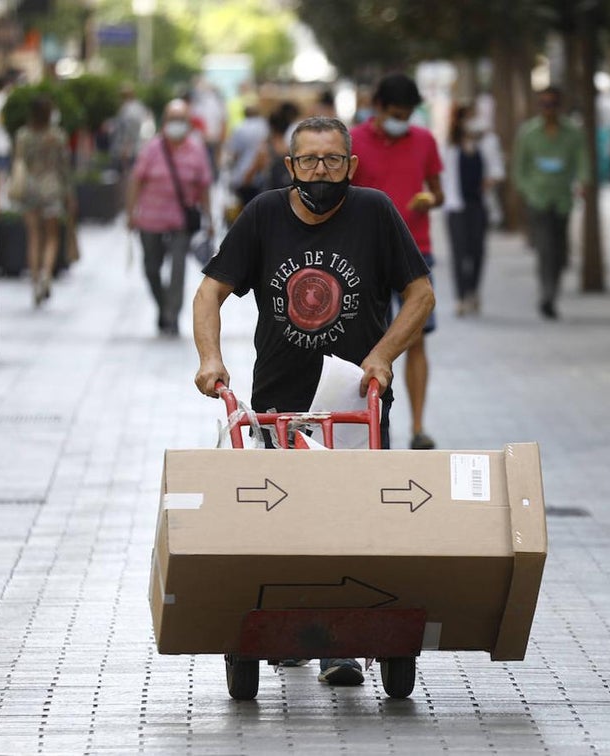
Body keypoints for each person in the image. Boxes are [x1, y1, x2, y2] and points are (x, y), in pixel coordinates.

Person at [192, 116, 434, 686]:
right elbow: (210, 291)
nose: (321, 172)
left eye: (332, 161)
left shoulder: (374, 212)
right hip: (281, 405)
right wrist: (210, 359)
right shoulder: (264, 215)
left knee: (353, 522)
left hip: (356, 401)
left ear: (350, 166)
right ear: (291, 167)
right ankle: (288, 630)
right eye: (310, 161)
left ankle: (340, 644)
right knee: (284, 525)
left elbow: (420, 293)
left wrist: (383, 355)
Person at [350, 73, 444, 450]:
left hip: (415, 250)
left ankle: (418, 427)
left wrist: (429, 200)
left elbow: (438, 192)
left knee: (416, 339)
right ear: (378, 107)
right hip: (365, 254)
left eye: (406, 114)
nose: (401, 119)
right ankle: (360, 425)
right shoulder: (353, 140)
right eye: (394, 113)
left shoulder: (424, 140)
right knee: (364, 342)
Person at [127, 99, 213, 336]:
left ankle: (172, 315)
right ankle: (163, 305)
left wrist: (210, 219)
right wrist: (130, 212)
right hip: (150, 220)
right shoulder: (152, 148)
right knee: (151, 268)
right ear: (164, 122)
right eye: (172, 120)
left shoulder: (196, 149)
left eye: (181, 120)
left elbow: (204, 185)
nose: (177, 125)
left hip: (180, 222)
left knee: (178, 270)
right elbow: (136, 180)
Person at [511, 85, 589, 321]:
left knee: (560, 250)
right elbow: (519, 168)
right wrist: (527, 190)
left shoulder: (573, 132)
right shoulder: (528, 133)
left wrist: (583, 182)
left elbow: (582, 161)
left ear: (559, 106)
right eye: (544, 104)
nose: (548, 109)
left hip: (563, 198)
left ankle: (552, 290)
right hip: (538, 199)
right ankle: (547, 295)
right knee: (545, 248)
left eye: (552, 104)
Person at [441, 105, 504, 316]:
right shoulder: (450, 145)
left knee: (476, 251)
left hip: (479, 205)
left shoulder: (487, 142)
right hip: (455, 206)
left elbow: (497, 170)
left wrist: (490, 180)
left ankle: (473, 291)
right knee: (459, 253)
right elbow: (442, 176)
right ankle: (460, 297)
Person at [12, 95, 72, 307]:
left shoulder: (23, 135)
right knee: (52, 237)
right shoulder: (57, 136)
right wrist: (68, 194)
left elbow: (18, 162)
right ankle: (47, 273)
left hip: (29, 188)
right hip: (51, 188)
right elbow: (64, 167)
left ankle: (35, 280)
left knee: (34, 236)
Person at [224, 102, 269, 209]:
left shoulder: (239, 128)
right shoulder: (265, 126)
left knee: (245, 207)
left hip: (242, 174)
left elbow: (234, 153)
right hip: (261, 175)